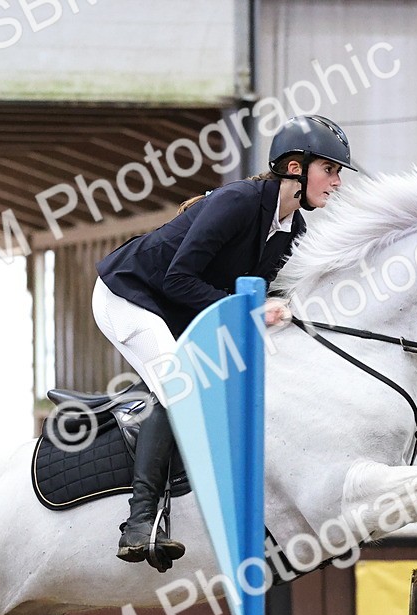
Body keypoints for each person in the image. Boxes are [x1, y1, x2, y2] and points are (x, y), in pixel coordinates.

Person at [92, 114, 354, 564]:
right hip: (129, 294)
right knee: (179, 384)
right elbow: (179, 280)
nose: (337, 182)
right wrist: (255, 310)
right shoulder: (237, 201)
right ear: (295, 166)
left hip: (179, 309)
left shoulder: (293, 232)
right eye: (330, 170)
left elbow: (261, 300)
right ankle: (139, 522)